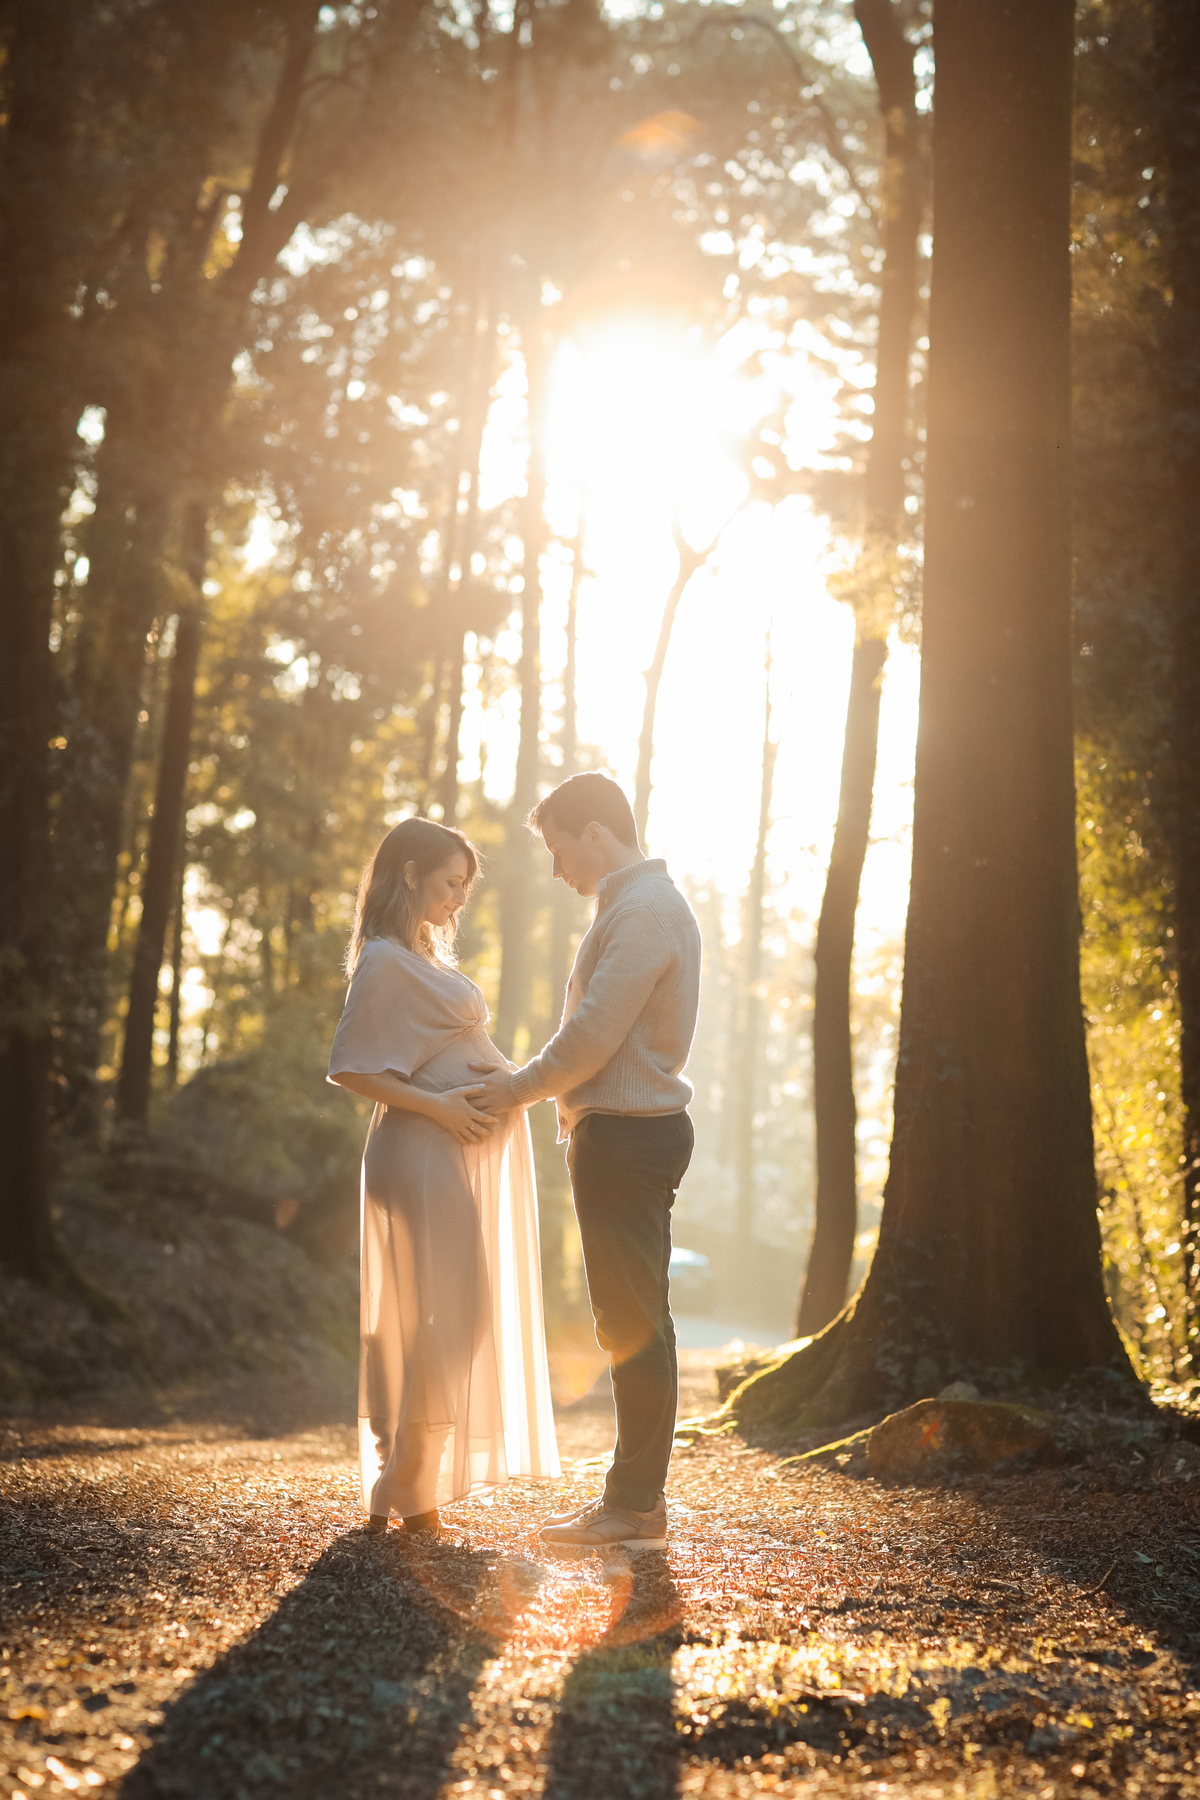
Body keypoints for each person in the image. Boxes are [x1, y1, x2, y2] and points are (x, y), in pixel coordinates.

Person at [470, 772, 701, 1552]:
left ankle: (633, 1509)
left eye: (561, 850)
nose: (560, 870)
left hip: (630, 1136)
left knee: (632, 1321)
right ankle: (634, 1501)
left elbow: (594, 1036)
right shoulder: (635, 907)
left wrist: (515, 1090)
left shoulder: (642, 913)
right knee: (631, 1317)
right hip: (628, 1133)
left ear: (596, 834)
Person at [327, 817, 560, 1535]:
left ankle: (405, 1485)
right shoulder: (385, 961)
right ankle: (406, 1482)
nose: (460, 898)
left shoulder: (415, 957)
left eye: (466, 885)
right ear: (409, 874)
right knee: (454, 1314)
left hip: (434, 1147)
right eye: (451, 882)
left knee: (438, 1314)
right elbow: (353, 1066)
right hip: (419, 1149)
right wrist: (441, 1108)